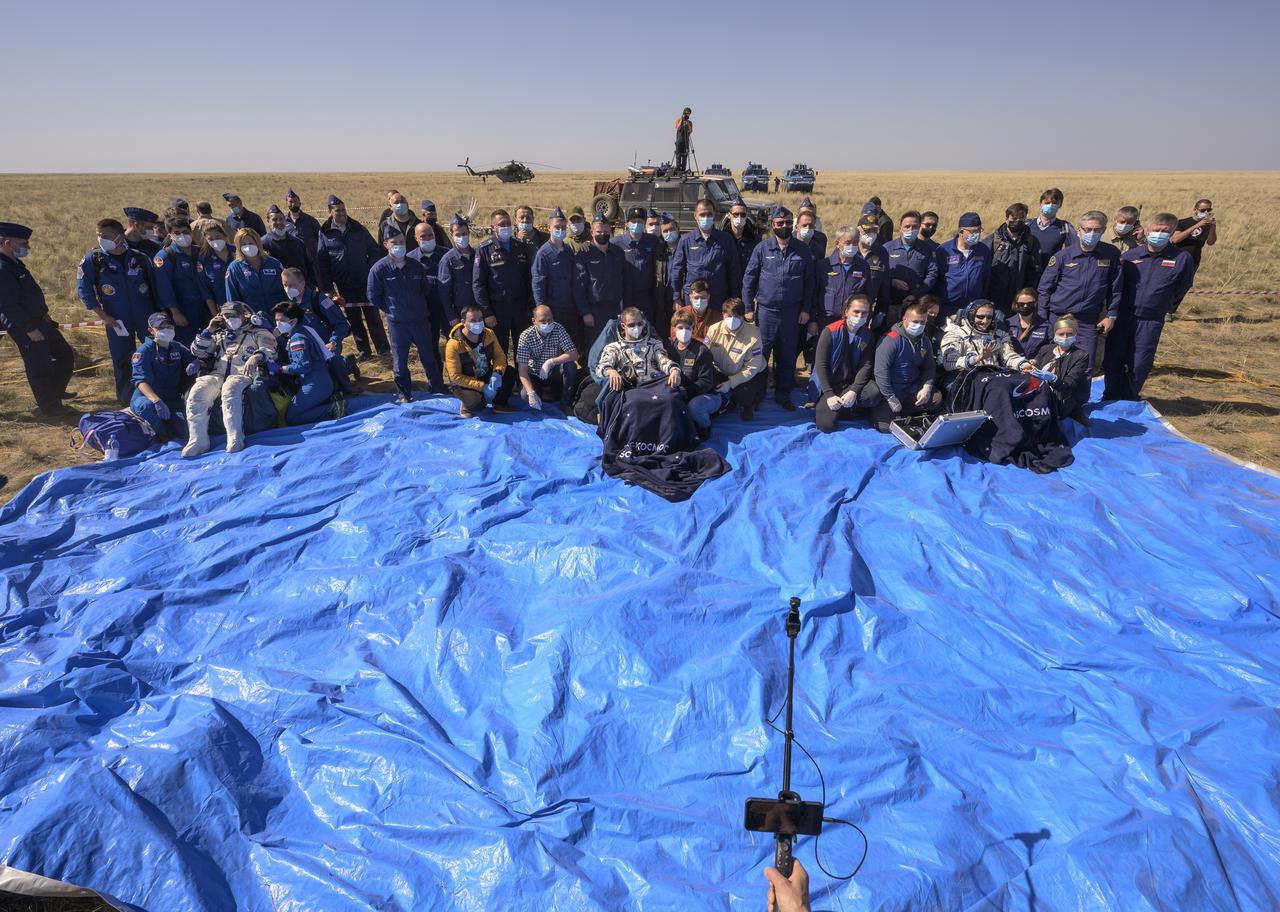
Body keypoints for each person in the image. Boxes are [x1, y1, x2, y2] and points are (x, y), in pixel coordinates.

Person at [1103, 213, 1195, 400]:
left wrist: (1161, 303)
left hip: (1151, 319)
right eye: (1156, 230)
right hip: (1123, 316)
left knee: (1140, 362)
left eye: (1164, 231)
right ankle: (1111, 394)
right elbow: (1117, 285)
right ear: (1148, 230)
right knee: (1114, 359)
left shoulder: (1181, 258)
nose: (1159, 234)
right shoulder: (1130, 256)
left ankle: (1129, 396)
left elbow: (1182, 286)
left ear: (1171, 233)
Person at [77, 217, 159, 403]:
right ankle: (126, 397)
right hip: (116, 317)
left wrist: (158, 314)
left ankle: (156, 392)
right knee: (122, 358)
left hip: (145, 314)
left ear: (119, 236)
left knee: (154, 352)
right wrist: (103, 316)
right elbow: (84, 290)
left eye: (105, 236)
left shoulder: (139, 258)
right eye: (99, 236)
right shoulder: (94, 260)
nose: (101, 239)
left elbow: (155, 286)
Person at [742, 206, 815, 410]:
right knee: (761, 355)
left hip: (792, 313)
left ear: (792, 225)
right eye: (779, 223)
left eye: (787, 223)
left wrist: (806, 309)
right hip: (766, 312)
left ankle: (783, 395)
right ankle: (756, 395)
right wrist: (748, 307)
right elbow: (749, 279)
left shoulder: (802, 250)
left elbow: (809, 283)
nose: (784, 226)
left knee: (787, 356)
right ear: (773, 225)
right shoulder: (762, 248)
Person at [0, 221, 76, 417]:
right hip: (27, 325)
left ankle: (54, 394)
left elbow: (29, 295)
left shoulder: (15, 264)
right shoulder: (2, 269)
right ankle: (51, 408)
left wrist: (45, 315)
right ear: (8, 243)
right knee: (40, 367)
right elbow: (7, 306)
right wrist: (28, 328)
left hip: (40, 321)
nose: (27, 248)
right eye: (24, 244)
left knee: (65, 355)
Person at [183, 301, 278, 457]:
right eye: (226, 316)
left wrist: (257, 356)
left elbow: (271, 349)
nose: (229, 319)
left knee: (230, 389)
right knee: (198, 391)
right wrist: (209, 329)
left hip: (243, 373)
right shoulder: (219, 334)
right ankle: (198, 440)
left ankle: (235, 438)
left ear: (243, 315)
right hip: (218, 373)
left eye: (233, 316)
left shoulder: (257, 332)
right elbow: (198, 352)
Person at [1036, 210, 1121, 364]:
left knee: (1084, 363)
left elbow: (1116, 288)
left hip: (1087, 320)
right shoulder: (1062, 256)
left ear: (1103, 230)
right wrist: (1043, 319)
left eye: (1097, 230)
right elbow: (1044, 289)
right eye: (1088, 229)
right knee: (1053, 363)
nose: (1092, 233)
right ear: (1079, 230)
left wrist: (1111, 315)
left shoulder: (1111, 254)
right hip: (1058, 316)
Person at [367, 225, 441, 402]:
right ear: (386, 244)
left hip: (420, 321)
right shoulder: (379, 269)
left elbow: (424, 289)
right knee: (400, 363)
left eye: (401, 242)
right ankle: (404, 394)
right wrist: (391, 309)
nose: (399, 245)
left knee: (429, 358)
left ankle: (437, 389)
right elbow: (373, 295)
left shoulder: (415, 266)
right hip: (398, 324)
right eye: (395, 242)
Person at [315, 194, 389, 359]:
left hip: (364, 282)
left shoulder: (358, 229)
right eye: (337, 210)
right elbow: (322, 262)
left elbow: (374, 250)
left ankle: (383, 349)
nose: (341, 213)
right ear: (329, 211)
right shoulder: (325, 233)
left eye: (343, 210)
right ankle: (364, 351)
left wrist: (371, 271)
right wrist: (327, 287)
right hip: (344, 284)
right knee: (354, 319)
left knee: (373, 317)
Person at [473, 208, 535, 407]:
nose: (506, 227)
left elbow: (528, 279)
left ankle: (522, 383)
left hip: (519, 310)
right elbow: (478, 285)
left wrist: (530, 306)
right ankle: (499, 389)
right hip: (496, 313)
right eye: (501, 224)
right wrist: (487, 313)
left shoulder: (520, 247)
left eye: (508, 223)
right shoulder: (484, 250)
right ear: (493, 227)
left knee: (522, 350)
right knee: (498, 352)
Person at [868, 301, 942, 433]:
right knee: (885, 428)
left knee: (936, 398)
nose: (919, 326)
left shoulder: (924, 340)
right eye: (915, 321)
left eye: (922, 322)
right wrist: (890, 397)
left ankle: (904, 410)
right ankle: (882, 410)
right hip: (892, 390)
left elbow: (929, 367)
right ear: (904, 319)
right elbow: (880, 372)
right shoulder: (890, 340)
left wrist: (926, 387)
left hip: (911, 387)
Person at [812, 294, 882, 433]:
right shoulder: (830, 331)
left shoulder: (868, 335)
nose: (859, 316)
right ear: (846, 311)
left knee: (873, 394)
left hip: (850, 384)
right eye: (856, 311)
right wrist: (829, 394)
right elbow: (821, 365)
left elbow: (866, 365)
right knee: (825, 426)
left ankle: (850, 404)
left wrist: (854, 391)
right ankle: (844, 408)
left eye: (864, 313)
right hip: (830, 386)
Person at [280, 266, 355, 392]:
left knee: (333, 361)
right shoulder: (288, 306)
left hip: (326, 345)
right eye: (285, 285)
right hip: (305, 348)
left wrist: (334, 341)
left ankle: (345, 386)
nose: (288, 289)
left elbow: (342, 324)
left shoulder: (318, 299)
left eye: (292, 285)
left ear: (302, 283)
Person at [130, 311, 197, 440]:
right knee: (148, 409)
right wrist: (156, 400)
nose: (166, 330)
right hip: (148, 397)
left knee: (185, 430)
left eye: (169, 327)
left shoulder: (176, 347)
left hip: (172, 398)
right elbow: (140, 381)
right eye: (161, 328)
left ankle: (169, 427)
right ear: (151, 330)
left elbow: (192, 357)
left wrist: (194, 362)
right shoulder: (144, 351)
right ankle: (158, 433)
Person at [269, 301, 338, 424]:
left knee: (291, 417)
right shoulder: (304, 330)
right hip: (320, 380)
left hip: (315, 383)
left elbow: (303, 366)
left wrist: (281, 369)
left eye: (281, 320)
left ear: (293, 321)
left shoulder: (296, 339)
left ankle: (331, 410)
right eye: (276, 320)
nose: (278, 324)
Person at [670, 198, 741, 311]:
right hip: (694, 298)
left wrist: (734, 297)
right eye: (702, 214)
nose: (706, 218)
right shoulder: (686, 240)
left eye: (709, 214)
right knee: (694, 327)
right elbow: (677, 270)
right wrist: (676, 297)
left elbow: (734, 271)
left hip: (718, 298)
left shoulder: (726, 239)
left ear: (714, 215)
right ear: (695, 216)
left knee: (716, 328)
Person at [574, 212, 629, 353]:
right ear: (592, 232)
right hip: (594, 311)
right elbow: (579, 287)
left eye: (605, 231)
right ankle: (591, 375)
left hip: (615, 309)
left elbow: (624, 280)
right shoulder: (584, 254)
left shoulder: (617, 252)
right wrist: (585, 312)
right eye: (599, 231)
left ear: (610, 231)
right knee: (595, 348)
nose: (602, 234)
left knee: (615, 346)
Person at [152, 216, 212, 346]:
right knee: (187, 345)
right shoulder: (165, 257)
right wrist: (175, 312)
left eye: (185, 232)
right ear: (170, 235)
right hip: (184, 309)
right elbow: (164, 287)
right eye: (177, 233)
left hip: (205, 307)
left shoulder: (200, 252)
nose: (182, 236)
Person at [939, 299, 1032, 383]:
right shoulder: (955, 334)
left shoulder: (999, 335)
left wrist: (1023, 364)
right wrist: (977, 358)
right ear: (971, 316)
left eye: (989, 317)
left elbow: (1009, 356)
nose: (985, 321)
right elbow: (949, 363)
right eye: (980, 317)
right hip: (968, 378)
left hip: (994, 376)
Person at [704, 298, 766, 420]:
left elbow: (752, 367)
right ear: (723, 314)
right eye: (729, 315)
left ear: (743, 316)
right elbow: (705, 352)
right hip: (721, 370)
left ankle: (749, 404)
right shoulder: (713, 329)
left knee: (744, 396)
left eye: (737, 316)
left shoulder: (754, 333)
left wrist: (731, 383)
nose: (732, 319)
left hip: (748, 374)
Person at [596, 306, 682, 394]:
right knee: (636, 403)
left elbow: (664, 361)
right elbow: (600, 368)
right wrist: (610, 371)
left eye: (639, 324)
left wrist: (674, 370)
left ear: (644, 324)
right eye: (631, 325)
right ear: (623, 326)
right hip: (630, 388)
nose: (636, 328)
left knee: (671, 398)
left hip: (654, 384)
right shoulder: (614, 347)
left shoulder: (654, 344)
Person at [444, 303, 508, 418]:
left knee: (510, 373)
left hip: (484, 373)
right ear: (463, 322)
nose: (477, 323)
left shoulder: (489, 334)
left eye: (480, 319)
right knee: (477, 405)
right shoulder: (453, 344)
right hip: (466, 381)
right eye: (473, 320)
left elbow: (499, 356)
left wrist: (497, 373)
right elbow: (455, 376)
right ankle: (466, 405)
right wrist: (482, 387)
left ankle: (499, 404)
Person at [665, 306, 720, 438]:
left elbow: (706, 382)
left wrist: (685, 392)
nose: (684, 331)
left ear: (693, 329)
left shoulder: (702, 351)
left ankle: (704, 426)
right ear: (674, 329)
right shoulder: (669, 350)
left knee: (694, 408)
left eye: (688, 328)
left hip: (706, 395)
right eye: (680, 328)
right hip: (679, 393)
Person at [531, 207, 581, 351]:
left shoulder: (567, 250)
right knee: (555, 348)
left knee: (570, 345)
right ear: (549, 228)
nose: (560, 230)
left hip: (570, 308)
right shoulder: (543, 254)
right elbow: (538, 284)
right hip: (553, 310)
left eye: (563, 227)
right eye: (557, 227)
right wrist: (543, 309)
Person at [514, 305, 579, 412]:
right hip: (534, 374)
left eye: (550, 320)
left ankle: (565, 402)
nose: (547, 324)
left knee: (570, 366)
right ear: (534, 321)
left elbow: (574, 354)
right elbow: (522, 369)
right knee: (525, 395)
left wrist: (551, 362)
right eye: (542, 321)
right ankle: (541, 394)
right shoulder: (525, 336)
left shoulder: (558, 329)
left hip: (554, 372)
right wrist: (531, 393)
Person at [1032, 315, 1091, 419]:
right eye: (1061, 334)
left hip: (1062, 400)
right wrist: (1030, 365)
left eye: (1069, 334)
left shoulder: (1081, 355)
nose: (1065, 337)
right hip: (1039, 394)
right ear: (1055, 334)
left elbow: (1069, 384)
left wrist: (1053, 379)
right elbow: (1035, 365)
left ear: (1075, 334)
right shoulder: (1045, 349)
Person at [985, 203, 1041, 312]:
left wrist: (1027, 293)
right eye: (1014, 218)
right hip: (993, 298)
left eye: (1021, 219)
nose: (1017, 222)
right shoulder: (993, 241)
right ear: (1006, 219)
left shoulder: (1031, 242)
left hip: (1018, 299)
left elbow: (1035, 270)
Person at [883, 210, 938, 319]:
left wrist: (915, 294)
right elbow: (880, 272)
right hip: (890, 303)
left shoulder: (928, 250)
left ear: (919, 228)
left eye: (914, 227)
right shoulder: (887, 248)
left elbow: (932, 273)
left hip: (915, 304)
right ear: (900, 228)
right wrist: (892, 281)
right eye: (907, 226)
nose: (910, 230)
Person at [224, 228, 285, 322]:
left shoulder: (274, 263)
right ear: (238, 247)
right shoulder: (234, 268)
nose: (248, 247)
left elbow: (286, 290)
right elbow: (233, 300)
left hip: (279, 317)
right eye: (243, 244)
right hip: (253, 321)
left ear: (258, 243)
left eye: (251, 243)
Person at [938, 212, 991, 320]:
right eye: (973, 231)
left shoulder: (983, 250)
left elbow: (986, 278)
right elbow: (937, 278)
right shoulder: (944, 250)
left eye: (979, 230)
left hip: (974, 308)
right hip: (948, 308)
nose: (977, 234)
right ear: (961, 231)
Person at [614, 206, 660, 324]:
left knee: (646, 326)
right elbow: (600, 247)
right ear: (627, 223)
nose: (636, 224)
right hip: (626, 296)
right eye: (633, 222)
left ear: (644, 223)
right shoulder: (616, 243)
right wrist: (588, 243)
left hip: (646, 296)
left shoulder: (652, 241)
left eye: (639, 222)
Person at [408, 221, 447, 349]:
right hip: (426, 310)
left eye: (430, 235)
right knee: (431, 344)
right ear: (416, 238)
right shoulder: (410, 260)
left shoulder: (446, 255)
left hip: (447, 307)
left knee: (456, 341)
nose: (427, 239)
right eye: (423, 237)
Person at [438, 213, 477, 329]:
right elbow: (444, 292)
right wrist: (451, 316)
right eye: (458, 234)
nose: (462, 237)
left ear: (469, 233)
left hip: (479, 310)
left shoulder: (478, 255)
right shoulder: (447, 260)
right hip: (460, 312)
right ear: (451, 234)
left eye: (464, 234)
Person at [1172, 198, 1217, 292]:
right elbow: (1175, 239)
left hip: (1193, 259)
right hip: (1177, 258)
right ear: (1195, 210)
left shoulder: (1208, 225)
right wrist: (1197, 225)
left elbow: (1210, 242)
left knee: (1184, 286)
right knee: (1172, 283)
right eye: (1203, 210)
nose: (1206, 212)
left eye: (1209, 210)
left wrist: (1213, 228)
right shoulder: (1182, 222)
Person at [1028, 188, 1074, 276]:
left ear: (1060, 205)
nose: (1051, 206)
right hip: (1028, 276)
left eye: (1055, 203)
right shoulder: (1028, 225)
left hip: (1052, 275)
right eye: (1047, 203)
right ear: (1040, 204)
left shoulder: (1065, 227)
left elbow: (1073, 252)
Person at [262, 205, 311, 282]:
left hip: (301, 286)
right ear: (268, 221)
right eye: (274, 219)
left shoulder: (297, 242)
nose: (279, 222)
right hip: (278, 288)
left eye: (281, 219)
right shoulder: (263, 244)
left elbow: (308, 266)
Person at [1005, 287, 1050, 356]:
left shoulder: (1046, 326)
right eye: (1021, 304)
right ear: (1016, 304)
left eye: (1030, 304)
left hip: (1035, 364)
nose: (1025, 306)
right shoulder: (1007, 324)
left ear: (1035, 304)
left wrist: (1037, 361)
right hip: (1010, 364)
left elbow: (1050, 350)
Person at [722, 196, 760, 270]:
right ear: (729, 215)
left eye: (743, 215)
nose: (739, 217)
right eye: (736, 214)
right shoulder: (722, 239)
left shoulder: (755, 240)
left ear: (746, 216)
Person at [284, 189, 322, 259]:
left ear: (300, 203)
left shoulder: (311, 221)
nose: (293, 204)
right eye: (290, 201)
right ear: (286, 204)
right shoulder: (282, 221)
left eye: (295, 201)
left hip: (311, 261)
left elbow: (321, 239)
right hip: (291, 260)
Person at [674, 106, 693, 171]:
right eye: (686, 113)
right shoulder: (678, 120)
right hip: (679, 140)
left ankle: (683, 169)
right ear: (683, 113)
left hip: (686, 141)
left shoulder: (690, 122)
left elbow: (690, 131)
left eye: (689, 114)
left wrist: (687, 123)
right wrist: (682, 119)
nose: (687, 115)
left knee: (685, 155)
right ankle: (678, 168)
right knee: (678, 154)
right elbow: (678, 127)